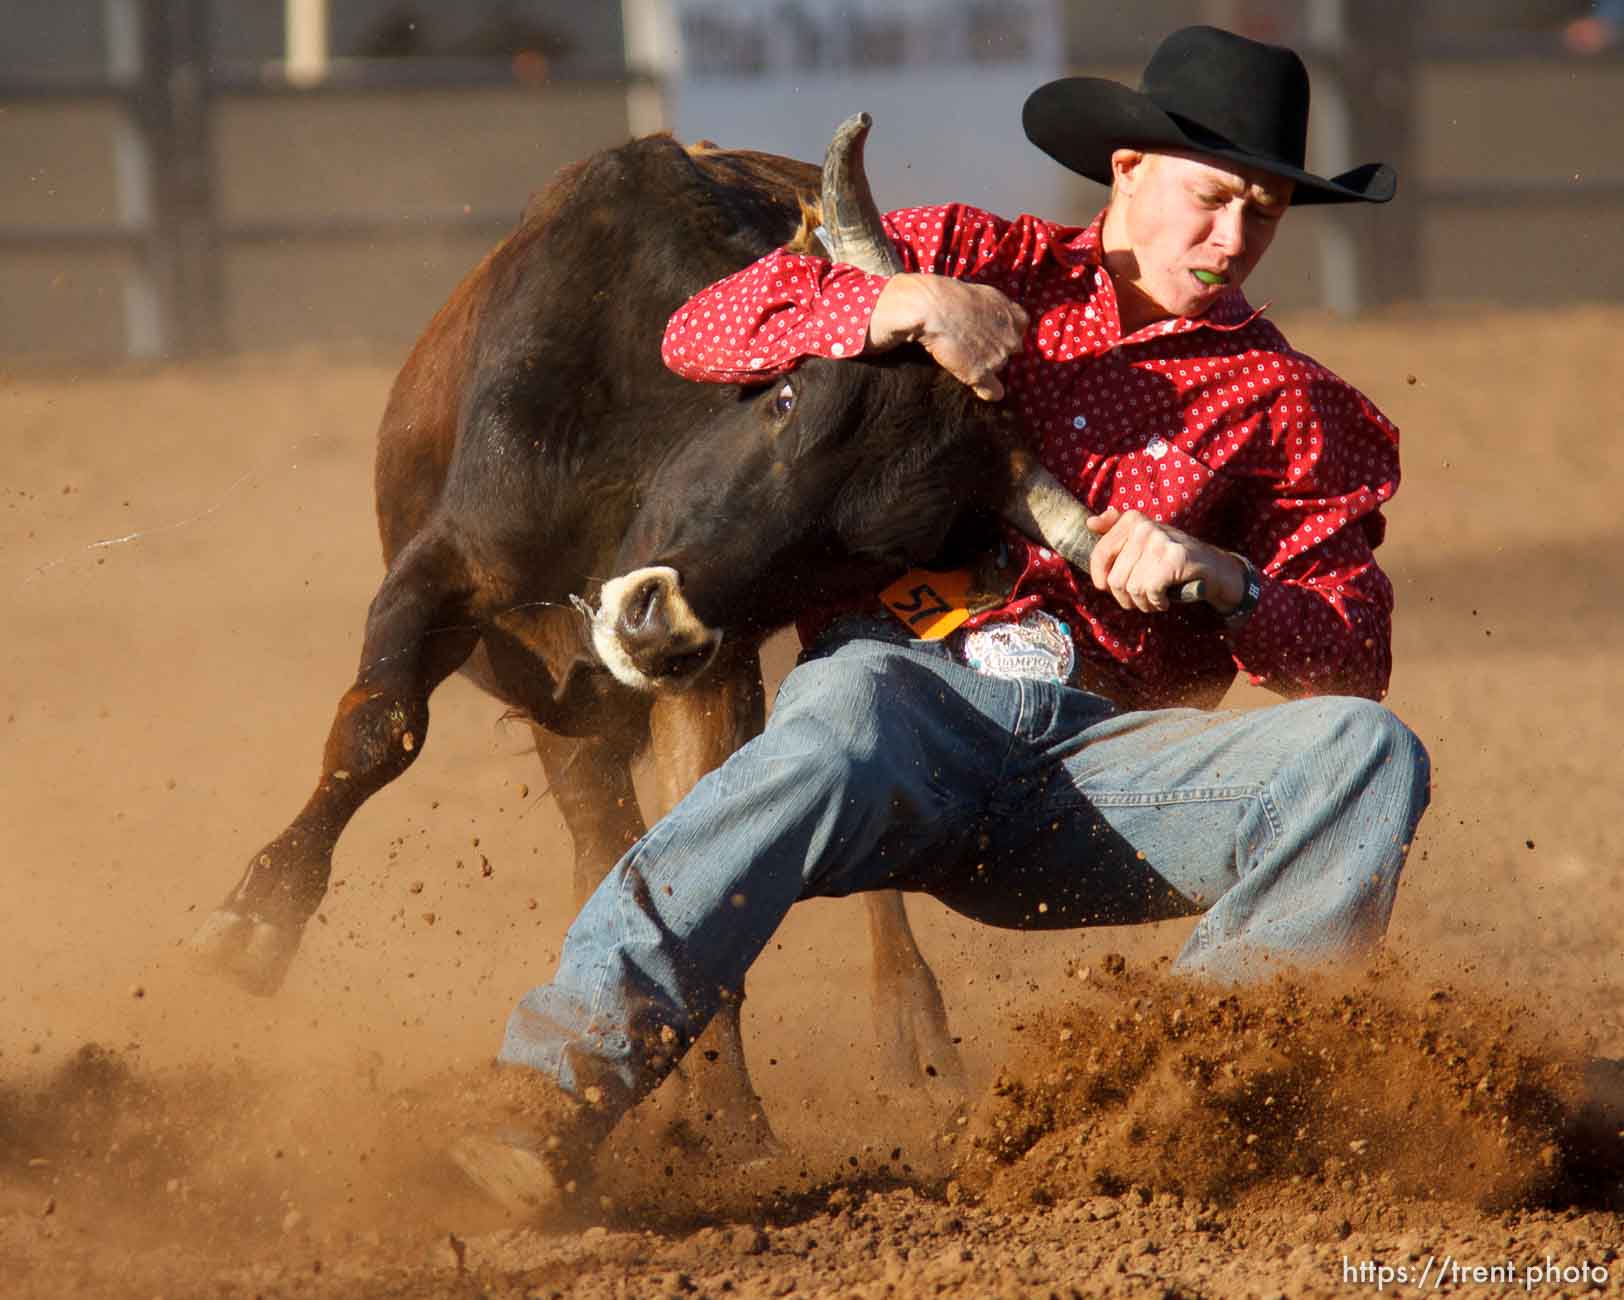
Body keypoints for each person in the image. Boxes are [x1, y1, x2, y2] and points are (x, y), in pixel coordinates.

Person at [451, 25, 1432, 1216]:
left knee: (1367, 755)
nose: (1232, 240)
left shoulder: (1292, 407)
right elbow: (698, 334)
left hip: (1095, 775)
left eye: (1264, 214)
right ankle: (550, 1092)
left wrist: (1230, 580)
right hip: (901, 716)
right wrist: (896, 303)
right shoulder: (970, 255)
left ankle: (1192, 1103)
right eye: (1213, 198)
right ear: (1127, 169)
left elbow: (1350, 658)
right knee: (858, 701)